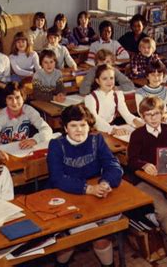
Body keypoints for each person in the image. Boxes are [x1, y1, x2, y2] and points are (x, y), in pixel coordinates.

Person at [47, 104, 123, 267]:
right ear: (65, 128)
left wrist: (105, 182)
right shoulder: (56, 145)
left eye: (83, 125)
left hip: (96, 197)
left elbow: (113, 165)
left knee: (101, 237)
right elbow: (57, 179)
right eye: (73, 126)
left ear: (89, 125)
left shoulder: (97, 139)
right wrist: (89, 189)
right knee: (75, 239)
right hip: (67, 197)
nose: (79, 130)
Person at [127, 96, 167, 236]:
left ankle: (165, 222)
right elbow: (131, 160)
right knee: (163, 210)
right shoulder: (137, 135)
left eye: (156, 113)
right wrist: (143, 165)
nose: (153, 118)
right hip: (146, 180)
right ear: (142, 116)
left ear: (162, 114)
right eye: (148, 115)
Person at [0, 82, 52, 149]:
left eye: (17, 97)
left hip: (22, 148)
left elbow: (47, 129)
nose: (14, 102)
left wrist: (35, 140)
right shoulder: (1, 117)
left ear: (23, 98)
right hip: (3, 150)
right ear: (5, 100)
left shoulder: (29, 111)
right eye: (10, 98)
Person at [84, 64, 144, 136]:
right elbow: (95, 119)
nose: (109, 81)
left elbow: (126, 114)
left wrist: (137, 122)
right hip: (95, 132)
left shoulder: (117, 95)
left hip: (110, 131)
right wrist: (112, 129)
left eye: (111, 78)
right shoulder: (90, 98)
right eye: (105, 79)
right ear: (98, 81)